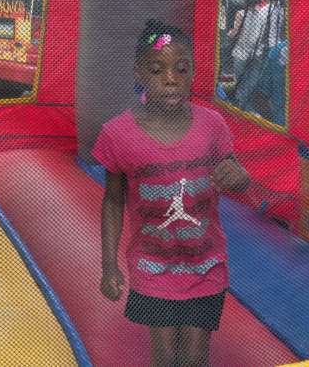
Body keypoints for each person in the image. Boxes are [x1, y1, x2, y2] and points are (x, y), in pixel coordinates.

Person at [97, 20, 251, 367]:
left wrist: (239, 177)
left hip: (205, 264)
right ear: (139, 73)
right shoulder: (118, 134)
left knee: (195, 357)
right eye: (157, 69)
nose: (170, 79)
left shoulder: (212, 126)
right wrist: (109, 265)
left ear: (193, 73)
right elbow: (113, 200)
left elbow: (236, 177)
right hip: (153, 267)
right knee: (165, 356)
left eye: (181, 69)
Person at [226, 0, 284, 109]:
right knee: (248, 83)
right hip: (251, 52)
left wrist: (230, 33)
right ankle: (242, 104)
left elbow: (234, 34)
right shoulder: (268, 10)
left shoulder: (269, 10)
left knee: (246, 82)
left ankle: (241, 105)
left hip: (251, 53)